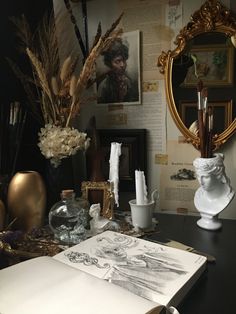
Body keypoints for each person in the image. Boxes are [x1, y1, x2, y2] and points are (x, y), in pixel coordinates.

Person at [97, 38, 139, 104]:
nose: (122, 65)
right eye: (118, 61)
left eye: (124, 60)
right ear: (110, 64)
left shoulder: (128, 82)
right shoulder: (104, 86)